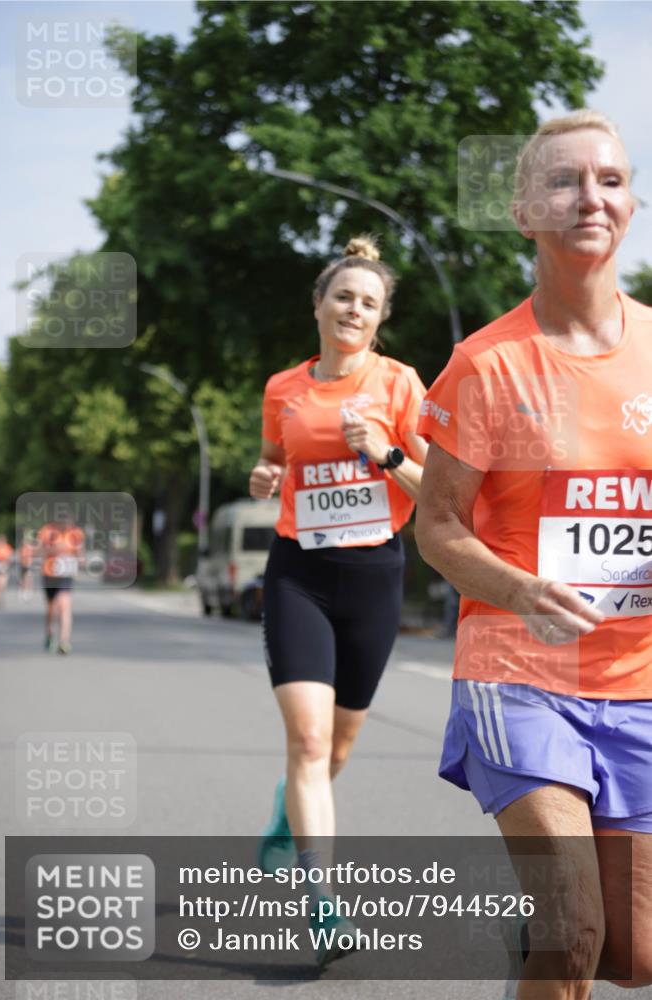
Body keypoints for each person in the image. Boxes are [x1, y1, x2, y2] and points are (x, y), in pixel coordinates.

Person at [415, 110, 651, 999]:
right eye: (563, 181)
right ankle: (553, 937)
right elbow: (437, 525)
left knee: (633, 956)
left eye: (609, 180)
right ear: (523, 212)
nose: (589, 197)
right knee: (576, 932)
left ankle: (541, 942)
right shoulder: (486, 364)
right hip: (518, 676)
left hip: (638, 681)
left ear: (629, 205)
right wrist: (519, 590)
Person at [249, 235, 427, 966]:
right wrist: (263, 476)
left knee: (340, 745)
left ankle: (285, 810)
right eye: (343, 296)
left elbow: (437, 487)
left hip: (374, 575)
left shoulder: (400, 384)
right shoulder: (282, 388)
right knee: (309, 742)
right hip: (299, 572)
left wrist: (385, 453)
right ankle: (323, 903)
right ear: (318, 305)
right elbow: (273, 458)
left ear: (379, 318)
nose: (354, 309)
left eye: (368, 302)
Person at [38, 519, 85, 653]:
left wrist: (79, 560)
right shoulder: (47, 531)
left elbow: (80, 553)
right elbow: (40, 550)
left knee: (65, 605)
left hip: (66, 575)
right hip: (50, 574)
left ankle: (64, 641)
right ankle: (50, 633)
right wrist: (54, 550)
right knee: (51, 609)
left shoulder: (76, 533)